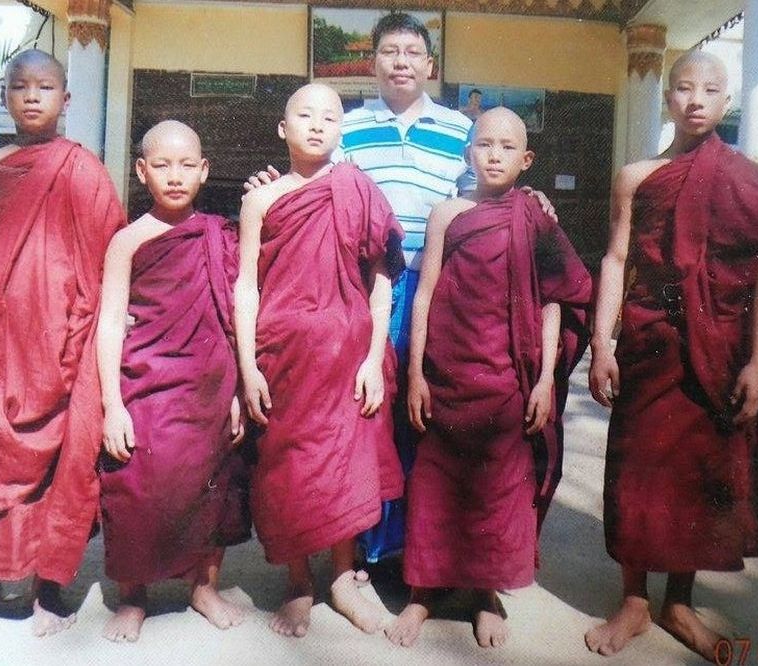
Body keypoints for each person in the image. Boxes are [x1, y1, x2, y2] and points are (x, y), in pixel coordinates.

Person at [247, 12, 555, 566]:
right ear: (373, 63)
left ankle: (415, 546)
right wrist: (270, 184)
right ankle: (369, 542)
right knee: (367, 410)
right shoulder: (347, 127)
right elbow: (318, 184)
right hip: (366, 286)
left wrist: (532, 199)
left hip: (441, 287)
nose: (401, 62)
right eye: (390, 52)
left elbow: (484, 197)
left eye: (413, 54)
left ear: (430, 66)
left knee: (423, 408)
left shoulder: (462, 130)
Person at [584, 51, 758, 661]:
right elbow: (616, 259)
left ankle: (679, 601)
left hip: (724, 344)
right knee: (637, 468)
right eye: (684, 88)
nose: (697, 100)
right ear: (668, 98)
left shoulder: (749, 182)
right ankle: (633, 599)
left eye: (710, 90)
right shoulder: (637, 175)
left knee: (701, 472)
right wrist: (602, 341)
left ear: (726, 102)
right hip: (651, 340)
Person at [0, 49, 125, 635]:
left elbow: (108, 259)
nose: (32, 96)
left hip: (62, 344)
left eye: (45, 87)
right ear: (6, 96)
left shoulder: (84, 169)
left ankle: (48, 590)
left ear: (67, 100)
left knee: (63, 465)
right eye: (20, 87)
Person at [386, 108, 592, 649]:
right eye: (484, 144)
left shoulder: (535, 217)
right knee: (432, 484)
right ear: (468, 153)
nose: (494, 155)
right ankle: (422, 594)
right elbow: (425, 291)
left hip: (510, 375)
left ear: (526, 160)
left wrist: (546, 378)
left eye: (507, 147)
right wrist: (415, 375)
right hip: (447, 372)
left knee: (500, 491)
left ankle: (484, 593)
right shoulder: (448, 214)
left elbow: (554, 300)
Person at [235, 83, 405, 639]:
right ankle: (299, 582)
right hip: (282, 356)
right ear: (282, 129)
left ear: (341, 130)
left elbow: (382, 284)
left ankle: (340, 577)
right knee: (287, 469)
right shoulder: (261, 199)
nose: (316, 125)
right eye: (303, 115)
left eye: (329, 117)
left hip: (347, 357)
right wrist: (247, 366)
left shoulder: (358, 190)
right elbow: (246, 287)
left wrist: (372, 357)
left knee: (344, 469)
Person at [95, 120, 250, 643]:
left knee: (213, 486)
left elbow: (231, 317)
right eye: (162, 165)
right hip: (147, 383)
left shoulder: (216, 234)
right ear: (141, 171)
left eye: (187, 165)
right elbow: (111, 322)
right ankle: (133, 596)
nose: (175, 176)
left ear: (205, 171)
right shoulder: (128, 240)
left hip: (207, 387)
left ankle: (203, 586)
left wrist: (234, 393)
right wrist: (112, 405)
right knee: (135, 485)